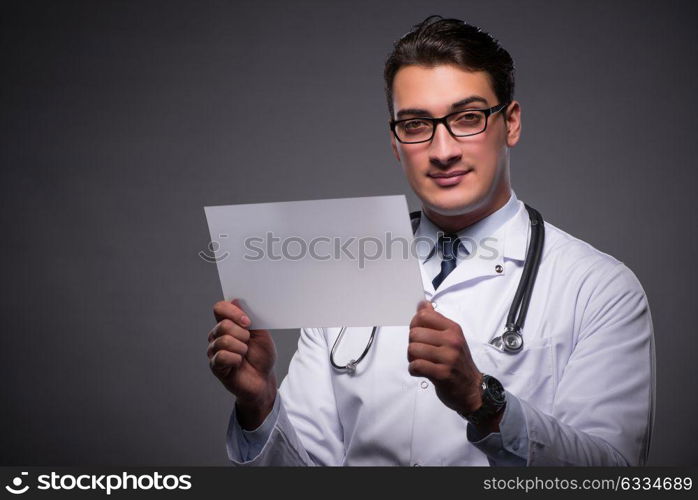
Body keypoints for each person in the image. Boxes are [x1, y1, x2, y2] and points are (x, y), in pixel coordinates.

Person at [206, 15, 655, 466]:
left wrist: (485, 404)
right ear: (395, 141)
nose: (443, 151)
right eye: (417, 124)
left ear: (511, 123)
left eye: (468, 118)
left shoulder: (599, 289)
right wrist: (260, 403)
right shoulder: (342, 272)